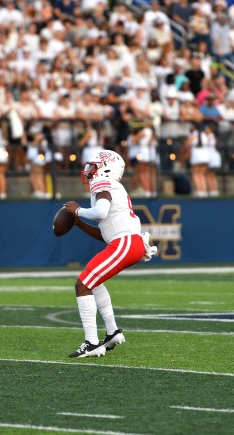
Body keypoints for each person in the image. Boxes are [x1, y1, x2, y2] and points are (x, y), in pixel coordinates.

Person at [63, 150, 156, 358]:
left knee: (82, 284)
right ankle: (112, 332)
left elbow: (101, 211)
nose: (89, 170)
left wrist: (77, 211)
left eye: (94, 166)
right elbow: (105, 234)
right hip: (129, 243)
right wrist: (79, 223)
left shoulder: (102, 182)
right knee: (93, 282)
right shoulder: (112, 186)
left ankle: (92, 343)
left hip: (126, 243)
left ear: (106, 169)